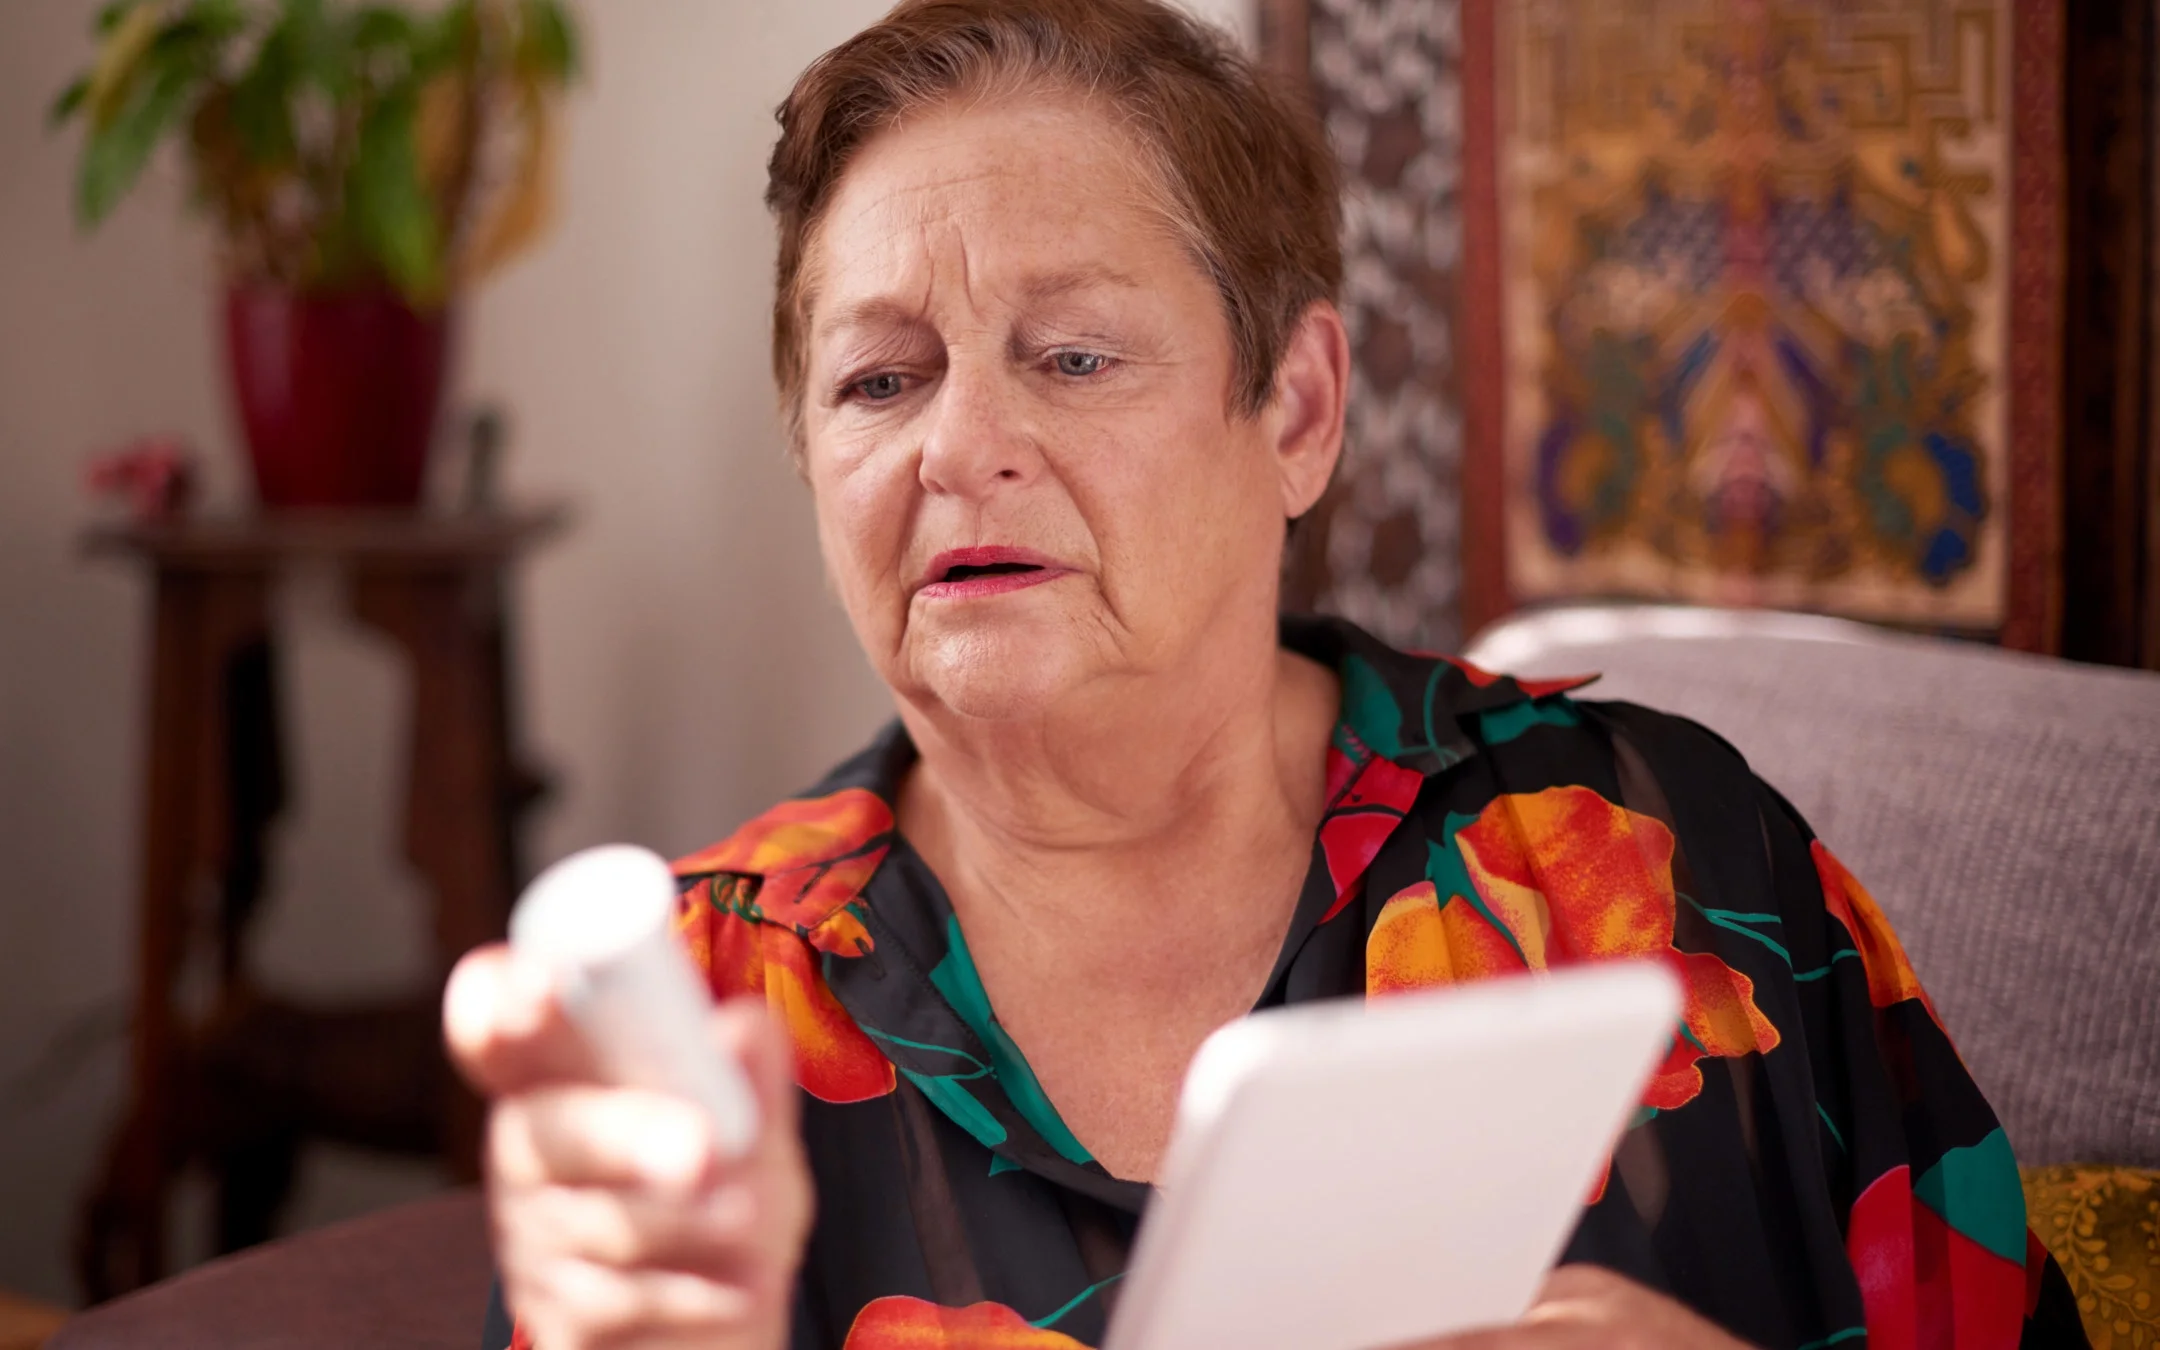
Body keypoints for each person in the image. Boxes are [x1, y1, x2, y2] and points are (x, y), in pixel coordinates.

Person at [442, 2, 2091, 1346]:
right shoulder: (698, 1007)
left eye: (1073, 355)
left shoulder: (1672, 857)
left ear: (1295, 411)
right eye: (881, 378)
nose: (961, 445)